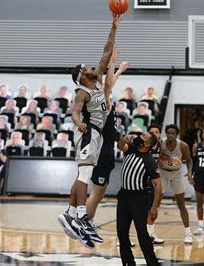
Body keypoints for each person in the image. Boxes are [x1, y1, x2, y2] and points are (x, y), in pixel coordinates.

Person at [57, 15, 120, 249]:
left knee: (82, 175)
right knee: (84, 176)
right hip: (87, 132)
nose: (91, 67)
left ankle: (71, 212)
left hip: (96, 135)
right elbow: (75, 112)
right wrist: (78, 123)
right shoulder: (81, 91)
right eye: (86, 67)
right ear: (82, 74)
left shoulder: (97, 80)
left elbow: (106, 52)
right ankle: (82, 216)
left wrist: (114, 27)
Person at [84, 47, 129, 227]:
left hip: (106, 150)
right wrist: (113, 63)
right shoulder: (100, 105)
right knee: (96, 191)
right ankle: (84, 222)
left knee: (100, 190)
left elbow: (109, 85)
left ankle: (90, 220)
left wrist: (118, 70)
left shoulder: (101, 100)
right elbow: (109, 85)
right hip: (102, 152)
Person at [116, 132, 162, 266]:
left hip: (139, 199)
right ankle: (128, 262)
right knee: (121, 233)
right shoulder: (131, 148)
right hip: (123, 197)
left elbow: (158, 184)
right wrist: (123, 139)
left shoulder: (149, 161)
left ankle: (152, 263)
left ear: (147, 144)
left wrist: (154, 207)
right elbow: (120, 146)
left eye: (142, 137)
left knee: (142, 234)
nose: (138, 138)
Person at [158, 124, 193, 244]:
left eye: (173, 133)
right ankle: (150, 232)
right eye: (168, 133)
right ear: (166, 134)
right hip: (162, 173)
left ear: (177, 135)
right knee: (155, 202)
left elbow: (189, 160)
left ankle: (188, 233)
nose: (170, 135)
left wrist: (189, 173)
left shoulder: (183, 146)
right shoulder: (160, 143)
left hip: (176, 174)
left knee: (181, 204)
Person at [146, 124, 165, 244]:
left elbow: (159, 162)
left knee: (152, 209)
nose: (154, 134)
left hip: (153, 181)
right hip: (139, 181)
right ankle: (123, 238)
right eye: (152, 132)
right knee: (134, 211)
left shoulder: (161, 147)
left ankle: (151, 235)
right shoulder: (143, 146)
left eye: (157, 132)